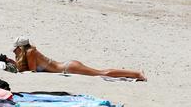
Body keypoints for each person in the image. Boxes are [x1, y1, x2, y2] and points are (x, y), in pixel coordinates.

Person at [11, 36, 146, 81]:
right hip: (68, 66)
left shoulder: (30, 52)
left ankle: (137, 73)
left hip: (68, 68)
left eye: (16, 49)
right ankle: (136, 74)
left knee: (102, 73)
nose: (14, 51)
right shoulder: (30, 52)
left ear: (21, 47)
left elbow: (32, 71)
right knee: (101, 73)